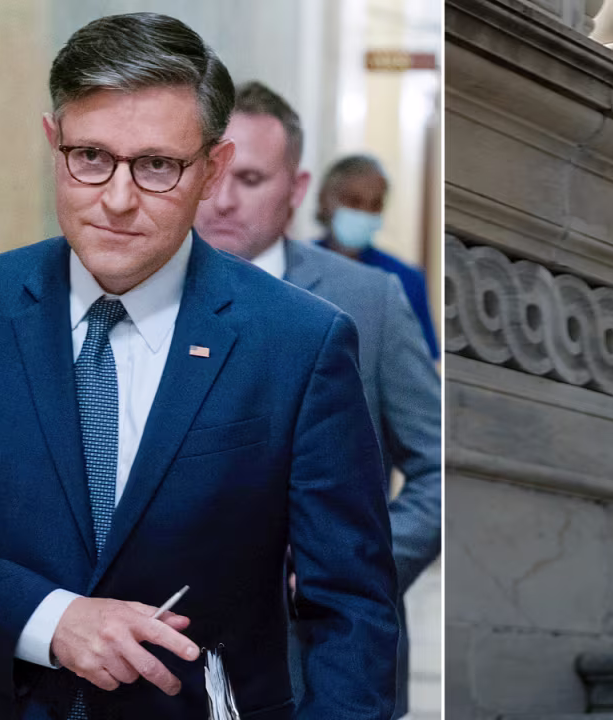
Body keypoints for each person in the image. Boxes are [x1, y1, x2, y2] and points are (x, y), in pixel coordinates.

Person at [0, 13, 398, 720]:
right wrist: (52, 620)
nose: (117, 198)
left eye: (157, 165)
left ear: (212, 171)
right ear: (54, 143)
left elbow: (351, 605)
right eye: (91, 157)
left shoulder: (298, 342)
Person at [194, 81, 441, 720]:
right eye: (210, 172)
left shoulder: (371, 301)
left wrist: (363, 558)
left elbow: (442, 465)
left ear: (297, 191)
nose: (221, 200)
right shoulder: (139, 293)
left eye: (249, 177)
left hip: (325, 658)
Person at [315, 154, 440, 359]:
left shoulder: (405, 280)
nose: (365, 213)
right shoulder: (293, 265)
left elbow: (423, 364)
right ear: (325, 199)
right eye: (354, 201)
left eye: (375, 204)